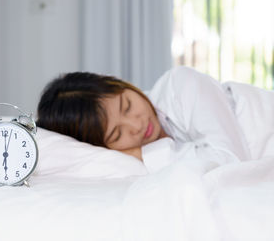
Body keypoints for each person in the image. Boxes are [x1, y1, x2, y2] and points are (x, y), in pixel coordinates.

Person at [37, 66, 257, 173]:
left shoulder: (180, 85)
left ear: (121, 83)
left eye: (128, 105)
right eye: (117, 134)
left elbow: (232, 163)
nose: (137, 125)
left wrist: (141, 154)